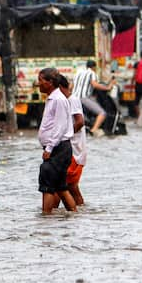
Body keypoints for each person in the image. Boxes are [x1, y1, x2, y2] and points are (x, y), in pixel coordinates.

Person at [37, 67, 77, 214]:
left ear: (50, 82)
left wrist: (49, 148)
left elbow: (59, 127)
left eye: (41, 81)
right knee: (61, 186)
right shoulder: (53, 99)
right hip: (58, 148)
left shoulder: (58, 100)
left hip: (58, 148)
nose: (38, 84)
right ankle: (73, 214)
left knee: (47, 185)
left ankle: (46, 218)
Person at [59, 74, 87, 206]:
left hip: (74, 150)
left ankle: (78, 211)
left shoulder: (72, 100)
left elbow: (80, 121)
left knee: (70, 186)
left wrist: (65, 137)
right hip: (68, 149)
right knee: (63, 185)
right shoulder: (63, 101)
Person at [72, 60, 116, 137]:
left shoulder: (78, 73)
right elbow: (95, 85)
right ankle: (93, 130)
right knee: (102, 113)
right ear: (94, 67)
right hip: (83, 98)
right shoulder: (92, 73)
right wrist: (108, 87)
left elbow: (71, 86)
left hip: (73, 98)